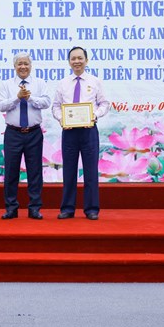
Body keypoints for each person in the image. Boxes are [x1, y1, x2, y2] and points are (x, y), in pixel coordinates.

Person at [52, 46, 109, 220]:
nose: (77, 61)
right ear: (69, 62)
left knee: (91, 170)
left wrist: (94, 115)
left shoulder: (95, 81)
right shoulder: (63, 83)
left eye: (80, 58)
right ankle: (67, 208)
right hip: (69, 132)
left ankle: (91, 209)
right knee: (69, 170)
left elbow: (105, 104)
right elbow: (55, 107)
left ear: (86, 60)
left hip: (89, 130)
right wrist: (62, 119)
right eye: (73, 59)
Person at [0, 52, 50, 220]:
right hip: (13, 133)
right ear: (14, 66)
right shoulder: (6, 85)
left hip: (34, 132)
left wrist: (30, 97)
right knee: (11, 171)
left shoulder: (40, 83)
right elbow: (1, 106)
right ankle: (11, 207)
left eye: (26, 63)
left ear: (30, 66)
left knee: (35, 172)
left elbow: (47, 102)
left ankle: (34, 207)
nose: (23, 67)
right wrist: (17, 98)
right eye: (19, 64)